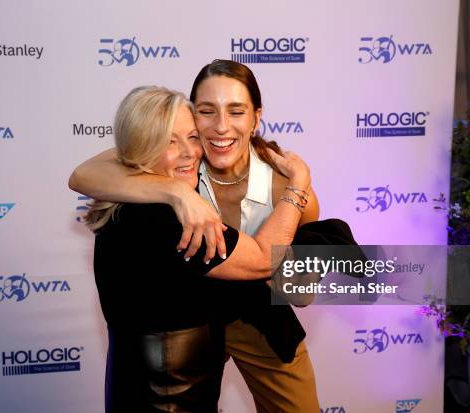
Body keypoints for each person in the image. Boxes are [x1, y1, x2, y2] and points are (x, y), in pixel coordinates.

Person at [70, 60, 321, 412]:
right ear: (193, 113)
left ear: (256, 118)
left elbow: (302, 277)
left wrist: (297, 194)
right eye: (207, 111)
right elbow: (83, 174)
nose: (220, 126)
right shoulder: (168, 177)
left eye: (236, 111)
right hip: (190, 330)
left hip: (257, 319)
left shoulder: (278, 180)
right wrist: (178, 193)